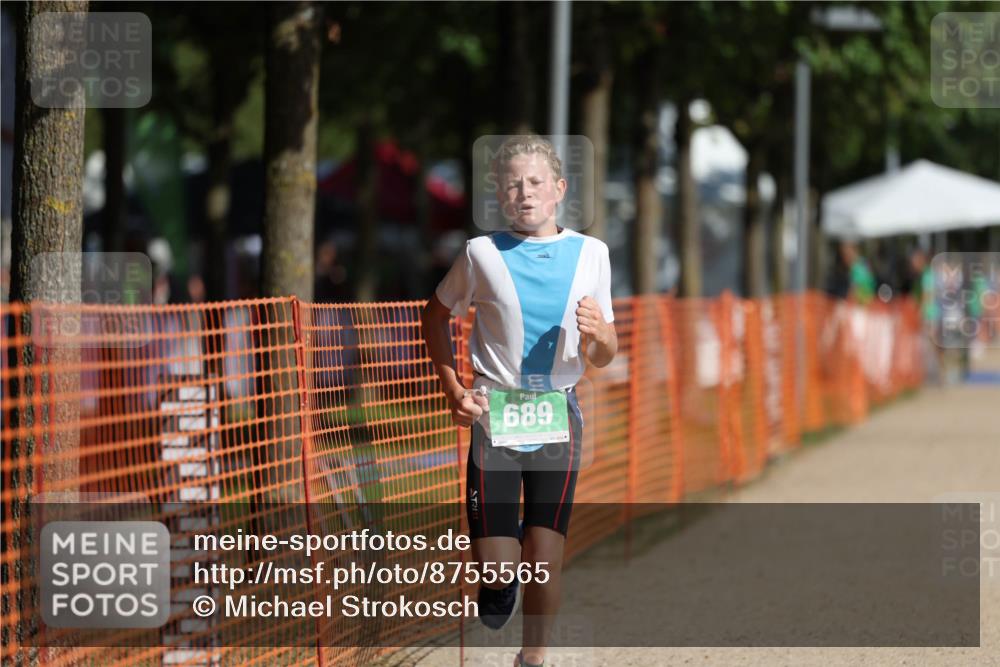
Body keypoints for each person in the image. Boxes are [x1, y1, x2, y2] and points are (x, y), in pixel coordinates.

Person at [421, 135, 617, 667]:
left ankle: (534, 658)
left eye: (535, 183)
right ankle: (497, 585)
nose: (525, 193)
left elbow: (603, 354)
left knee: (546, 555)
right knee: (501, 569)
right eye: (513, 184)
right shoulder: (479, 253)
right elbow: (435, 316)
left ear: (559, 189)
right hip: (496, 416)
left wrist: (598, 333)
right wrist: (453, 390)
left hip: (558, 412)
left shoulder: (592, 254)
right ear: (499, 195)